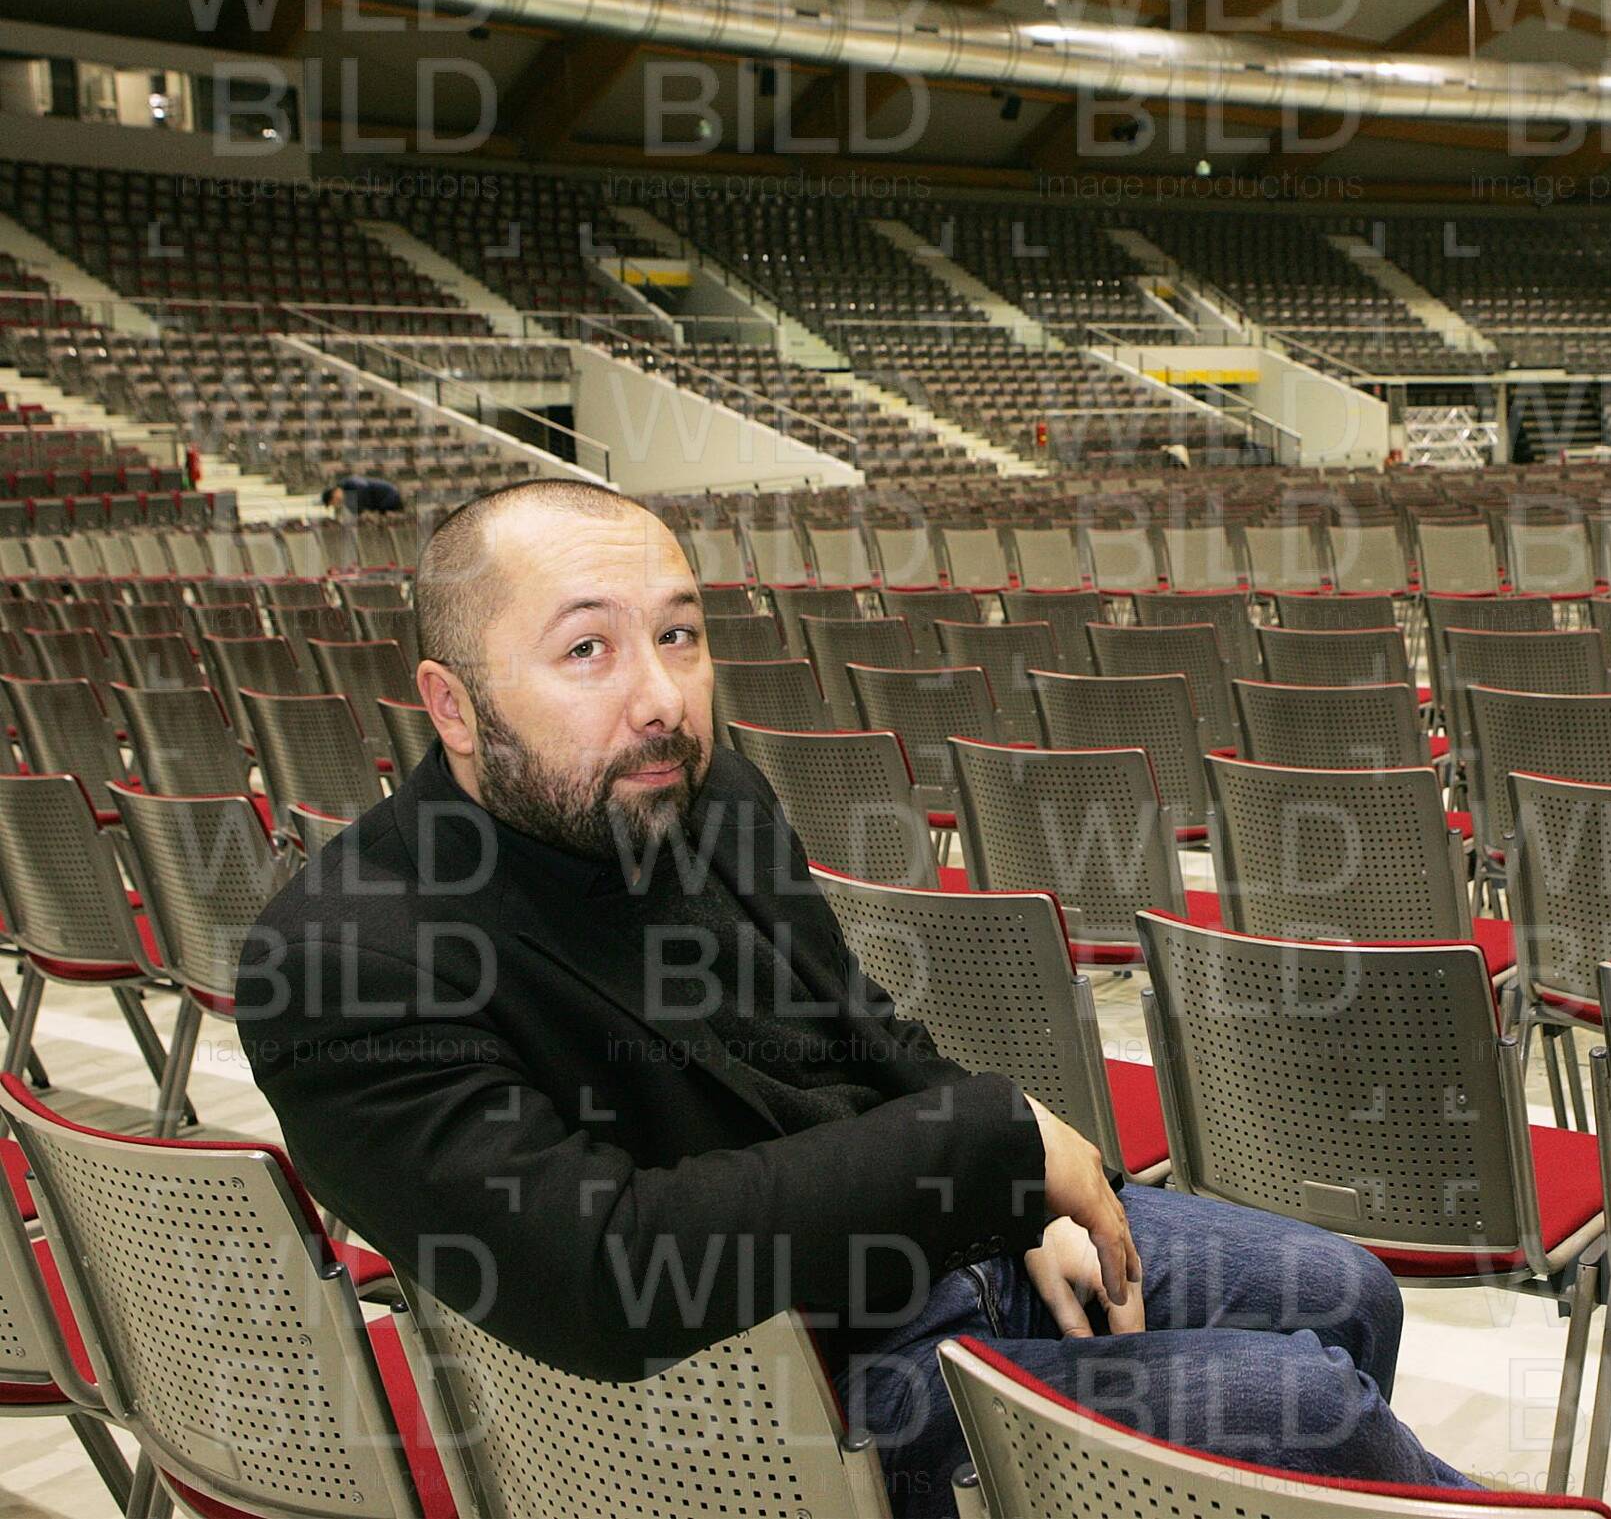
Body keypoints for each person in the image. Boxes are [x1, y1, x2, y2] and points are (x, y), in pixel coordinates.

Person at [235, 481, 1472, 1518]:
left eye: (680, 634)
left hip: (924, 1254)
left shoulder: (704, 795)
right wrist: (988, 1145)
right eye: (587, 650)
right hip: (761, 1410)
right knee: (1308, 1407)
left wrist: (1019, 1201)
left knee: (1345, 1289)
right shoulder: (349, 954)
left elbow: (860, 1025)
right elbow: (604, 1273)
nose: (662, 697)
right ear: (453, 703)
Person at [324, 473, 405, 513]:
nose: (336, 504)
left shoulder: (349, 483)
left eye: (334, 502)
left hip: (389, 496)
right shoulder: (347, 499)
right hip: (380, 503)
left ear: (334, 494)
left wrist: (361, 509)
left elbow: (363, 487)